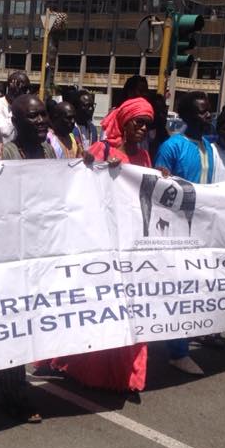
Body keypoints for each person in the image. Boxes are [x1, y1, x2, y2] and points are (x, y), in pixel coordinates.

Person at [39, 98, 154, 392]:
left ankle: (126, 375)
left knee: (132, 309)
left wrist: (161, 178)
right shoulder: (100, 150)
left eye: (147, 124)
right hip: (102, 245)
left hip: (132, 246)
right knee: (102, 308)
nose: (142, 128)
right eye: (137, 122)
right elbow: (80, 185)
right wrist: (97, 166)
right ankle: (86, 369)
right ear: (124, 123)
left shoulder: (144, 157)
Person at [0, 94, 53, 423]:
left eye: (43, 116)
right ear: (16, 122)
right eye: (32, 117)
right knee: (14, 325)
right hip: (8, 253)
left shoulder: (50, 152)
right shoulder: (6, 153)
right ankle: (14, 397)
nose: (41, 122)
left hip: (39, 250)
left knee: (30, 321)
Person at [153, 91, 215, 376]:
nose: (207, 116)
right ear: (188, 116)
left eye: (209, 111)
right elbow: (157, 186)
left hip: (200, 229)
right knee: (177, 290)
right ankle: (178, 351)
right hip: (175, 230)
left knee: (194, 288)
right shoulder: (172, 146)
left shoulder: (208, 147)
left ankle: (184, 338)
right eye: (202, 112)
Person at [0, 71, 32, 152]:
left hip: (16, 155)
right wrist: (15, 104)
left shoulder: (25, 106)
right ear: (10, 87)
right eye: (23, 89)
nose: (27, 92)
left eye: (28, 89)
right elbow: (5, 131)